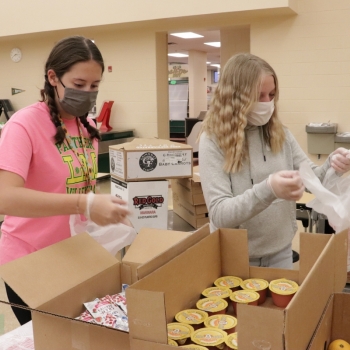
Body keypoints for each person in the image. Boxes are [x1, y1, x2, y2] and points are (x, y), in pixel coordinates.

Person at [0, 36, 130, 325]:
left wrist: (106, 216)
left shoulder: (88, 126)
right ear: (53, 78)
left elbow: (77, 187)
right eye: (79, 84)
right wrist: (85, 203)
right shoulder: (23, 125)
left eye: (94, 86)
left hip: (74, 256)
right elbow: (5, 197)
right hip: (31, 263)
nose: (87, 93)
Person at [198, 53, 350, 269]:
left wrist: (334, 164)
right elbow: (220, 214)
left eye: (271, 95)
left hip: (281, 252)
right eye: (258, 96)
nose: (267, 103)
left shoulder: (280, 133)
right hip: (234, 256)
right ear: (235, 97)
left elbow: (313, 179)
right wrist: (269, 188)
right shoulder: (213, 140)